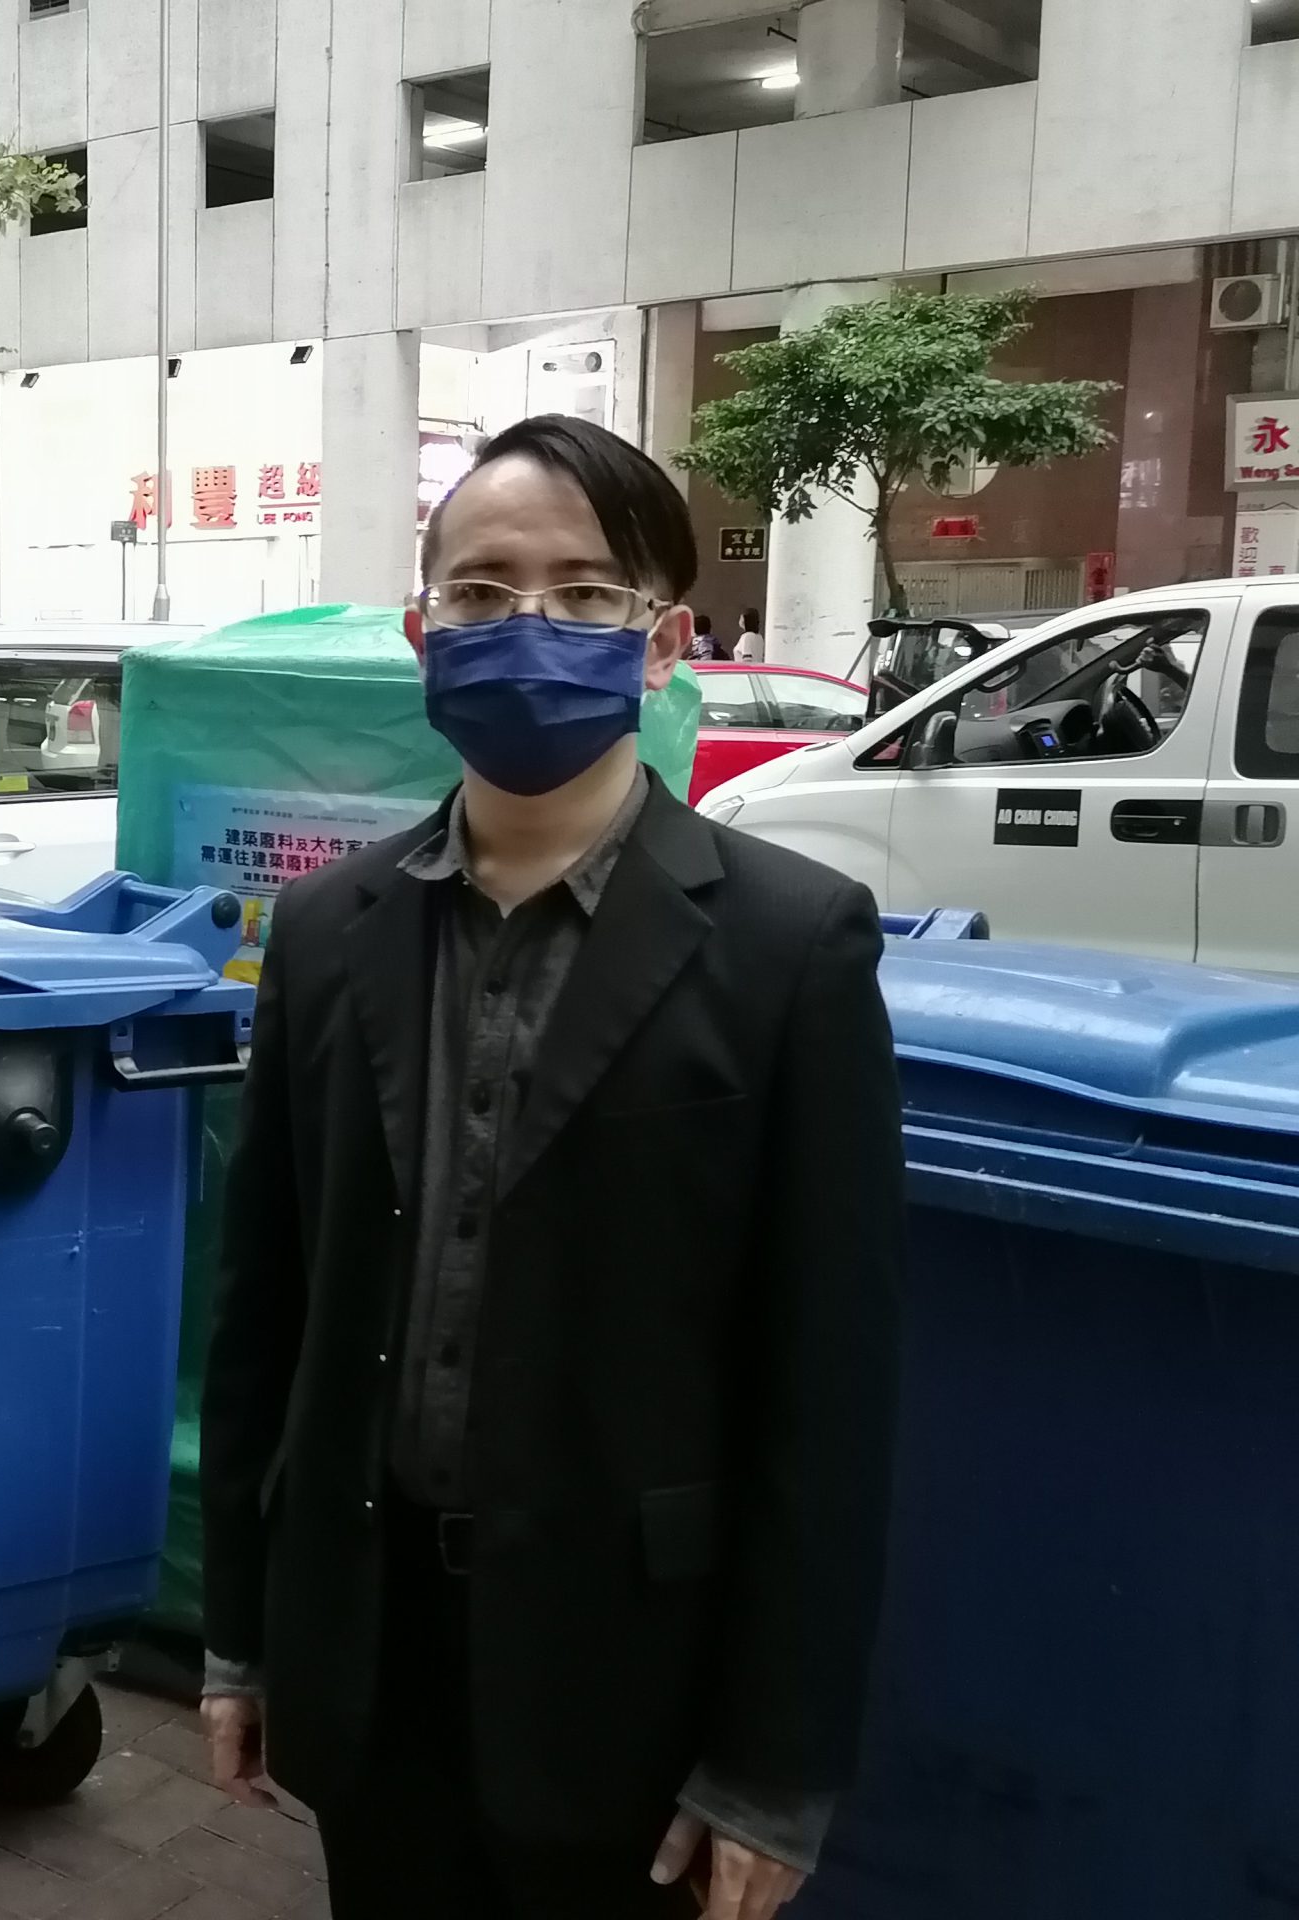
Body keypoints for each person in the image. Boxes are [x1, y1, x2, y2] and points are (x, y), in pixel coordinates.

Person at [199, 415, 902, 1920]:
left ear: (664, 643)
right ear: (421, 635)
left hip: (631, 1682)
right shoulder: (325, 935)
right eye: (481, 591)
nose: (528, 627)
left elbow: (828, 1395)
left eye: (584, 594)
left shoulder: (790, 947)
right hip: (373, 1651)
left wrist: (772, 1767)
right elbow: (267, 1310)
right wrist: (243, 1640)